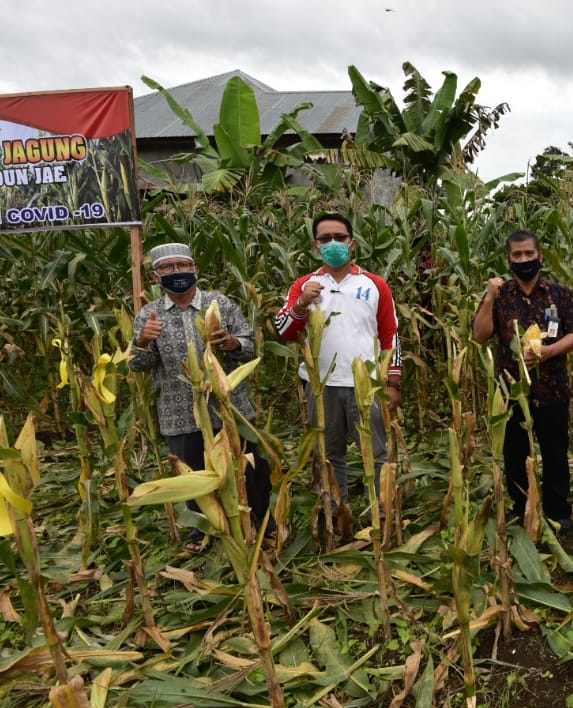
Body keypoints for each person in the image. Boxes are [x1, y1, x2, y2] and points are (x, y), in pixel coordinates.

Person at [130, 242, 272, 552]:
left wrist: (232, 342)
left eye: (182, 265)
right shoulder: (148, 314)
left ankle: (262, 526)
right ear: (155, 277)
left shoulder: (220, 303)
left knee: (250, 468)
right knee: (192, 475)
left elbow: (250, 348)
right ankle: (202, 533)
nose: (176, 272)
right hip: (179, 412)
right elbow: (137, 365)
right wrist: (142, 342)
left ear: (195, 270)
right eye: (167, 268)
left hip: (229, 407)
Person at [275, 212, 403, 505]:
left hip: (368, 384)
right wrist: (302, 303)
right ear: (315, 246)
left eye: (340, 238)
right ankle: (334, 511)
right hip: (322, 386)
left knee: (377, 453)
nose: (333, 243)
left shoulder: (374, 285)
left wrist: (393, 382)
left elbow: (391, 335)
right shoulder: (304, 286)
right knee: (328, 454)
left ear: (353, 243)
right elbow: (283, 330)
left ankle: (383, 513)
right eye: (325, 239)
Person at [473, 230, 573, 535]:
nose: (523, 260)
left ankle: (558, 511)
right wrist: (488, 298)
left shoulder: (559, 293)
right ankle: (522, 509)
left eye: (528, 254)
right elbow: (480, 335)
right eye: (517, 256)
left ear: (540, 257)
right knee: (515, 454)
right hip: (510, 390)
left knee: (555, 452)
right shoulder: (500, 295)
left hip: (553, 387)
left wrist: (548, 351)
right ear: (509, 259)